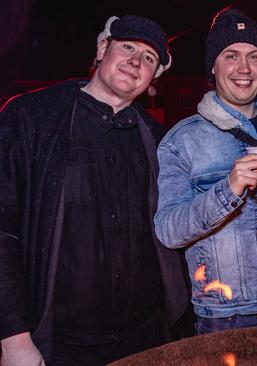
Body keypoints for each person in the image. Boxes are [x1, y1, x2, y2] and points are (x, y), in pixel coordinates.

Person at [0, 15, 190, 365]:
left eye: (149, 58)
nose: (135, 61)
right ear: (103, 48)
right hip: (60, 346)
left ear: (154, 78)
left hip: (148, 338)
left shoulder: (162, 141)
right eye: (128, 47)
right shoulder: (31, 119)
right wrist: (13, 336)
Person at [153, 9, 257, 334]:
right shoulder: (182, 141)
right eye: (231, 55)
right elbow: (167, 230)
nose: (244, 68)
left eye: (254, 56)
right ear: (213, 65)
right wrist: (228, 189)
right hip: (228, 320)